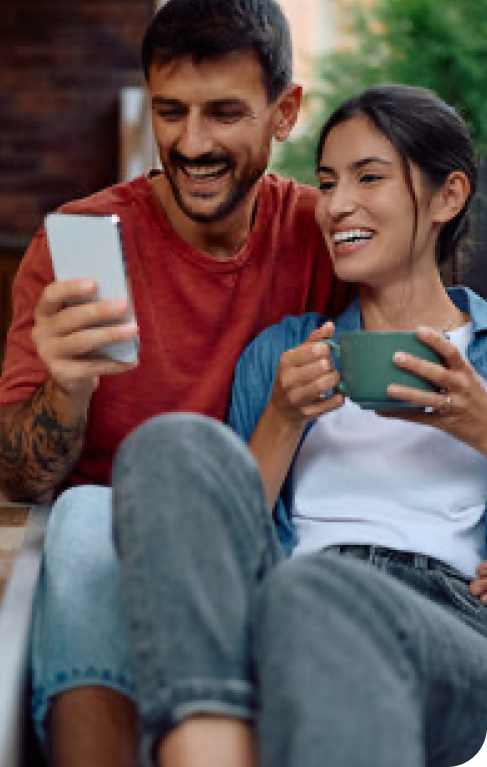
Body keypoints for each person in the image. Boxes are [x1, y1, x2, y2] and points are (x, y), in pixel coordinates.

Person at [0, 0, 351, 766]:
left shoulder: (324, 239)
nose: (190, 144)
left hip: (265, 542)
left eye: (223, 113)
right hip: (117, 546)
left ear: (284, 113)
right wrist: (67, 385)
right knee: (82, 515)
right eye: (169, 111)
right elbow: (18, 473)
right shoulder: (80, 241)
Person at [112, 83, 487, 767]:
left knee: (320, 593)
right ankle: (209, 744)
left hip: (449, 628)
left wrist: (480, 422)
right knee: (170, 444)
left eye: (368, 177)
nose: (335, 205)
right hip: (282, 606)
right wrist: (282, 418)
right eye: (326, 182)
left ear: (447, 196)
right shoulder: (282, 354)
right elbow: (223, 544)